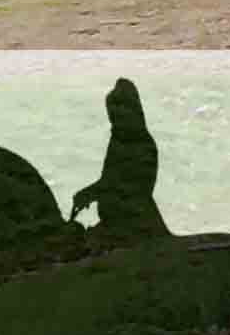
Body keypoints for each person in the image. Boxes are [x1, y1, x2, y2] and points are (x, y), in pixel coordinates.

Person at [68, 77, 173, 243]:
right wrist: (90, 193)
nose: (114, 122)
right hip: (115, 221)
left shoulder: (142, 144)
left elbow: (127, 188)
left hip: (133, 223)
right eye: (112, 117)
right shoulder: (118, 141)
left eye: (118, 116)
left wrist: (91, 192)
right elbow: (109, 180)